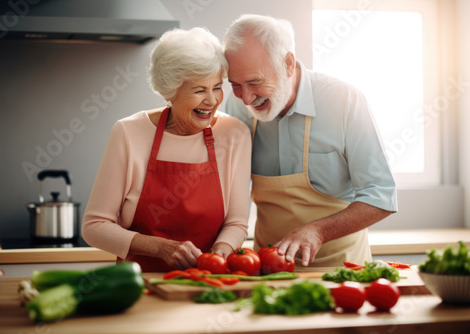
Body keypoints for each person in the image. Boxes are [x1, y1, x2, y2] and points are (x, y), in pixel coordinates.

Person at [223, 14, 398, 267]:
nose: (247, 99)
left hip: (341, 270)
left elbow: (381, 195)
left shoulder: (344, 100)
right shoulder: (236, 107)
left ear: (288, 64)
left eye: (255, 83)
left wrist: (318, 231)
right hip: (268, 268)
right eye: (235, 85)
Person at [82, 27, 252, 272]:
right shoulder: (128, 133)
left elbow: (236, 223)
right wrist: (160, 247)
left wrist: (218, 255)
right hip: (139, 284)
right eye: (199, 90)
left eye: (216, 87)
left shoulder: (235, 134)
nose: (212, 100)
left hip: (209, 280)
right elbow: (94, 226)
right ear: (170, 92)